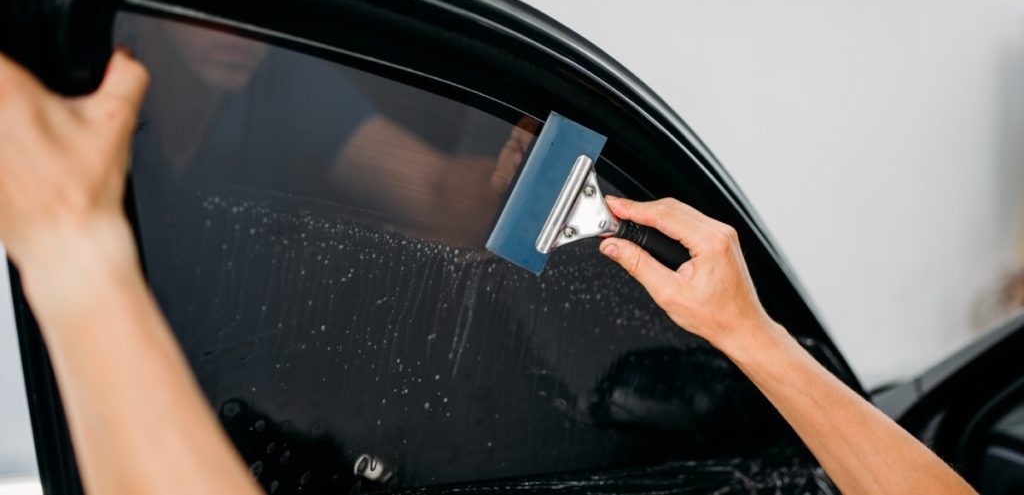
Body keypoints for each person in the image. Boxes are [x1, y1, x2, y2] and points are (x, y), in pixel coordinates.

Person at [0, 50, 976, 495]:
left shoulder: (288, 88)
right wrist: (747, 333)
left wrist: (75, 255)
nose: (230, 45)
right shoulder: (102, 59)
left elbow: (434, 192)